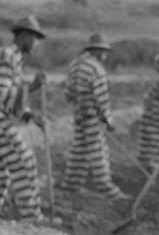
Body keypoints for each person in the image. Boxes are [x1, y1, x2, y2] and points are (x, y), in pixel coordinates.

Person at [0, 15, 47, 222]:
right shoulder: (6, 55)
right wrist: (32, 87)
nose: (37, 44)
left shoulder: (15, 60)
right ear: (24, 35)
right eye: (35, 38)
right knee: (24, 160)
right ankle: (32, 218)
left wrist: (31, 116)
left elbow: (10, 100)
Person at [61, 33, 129, 201]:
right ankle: (106, 187)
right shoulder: (96, 68)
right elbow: (101, 98)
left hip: (78, 114)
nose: (105, 56)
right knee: (98, 151)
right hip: (91, 116)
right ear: (97, 50)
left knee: (79, 149)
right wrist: (108, 120)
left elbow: (68, 92)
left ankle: (71, 184)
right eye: (104, 52)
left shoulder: (74, 65)